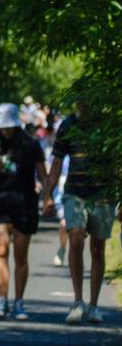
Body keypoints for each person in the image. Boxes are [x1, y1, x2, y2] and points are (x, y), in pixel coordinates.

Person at [44, 98, 117, 324]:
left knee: (98, 247)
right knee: (75, 239)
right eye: (80, 100)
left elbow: (116, 162)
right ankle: (78, 301)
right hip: (74, 192)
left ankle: (94, 305)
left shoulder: (107, 125)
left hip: (102, 194)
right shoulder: (68, 125)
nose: (83, 104)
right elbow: (56, 163)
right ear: (76, 102)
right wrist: (48, 194)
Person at [0, 103, 47, 320]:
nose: (6, 131)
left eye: (10, 127)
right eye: (3, 128)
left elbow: (42, 175)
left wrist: (47, 197)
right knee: (1, 250)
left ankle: (19, 302)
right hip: (0, 200)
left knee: (20, 256)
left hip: (25, 201)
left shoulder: (31, 145)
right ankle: (2, 301)